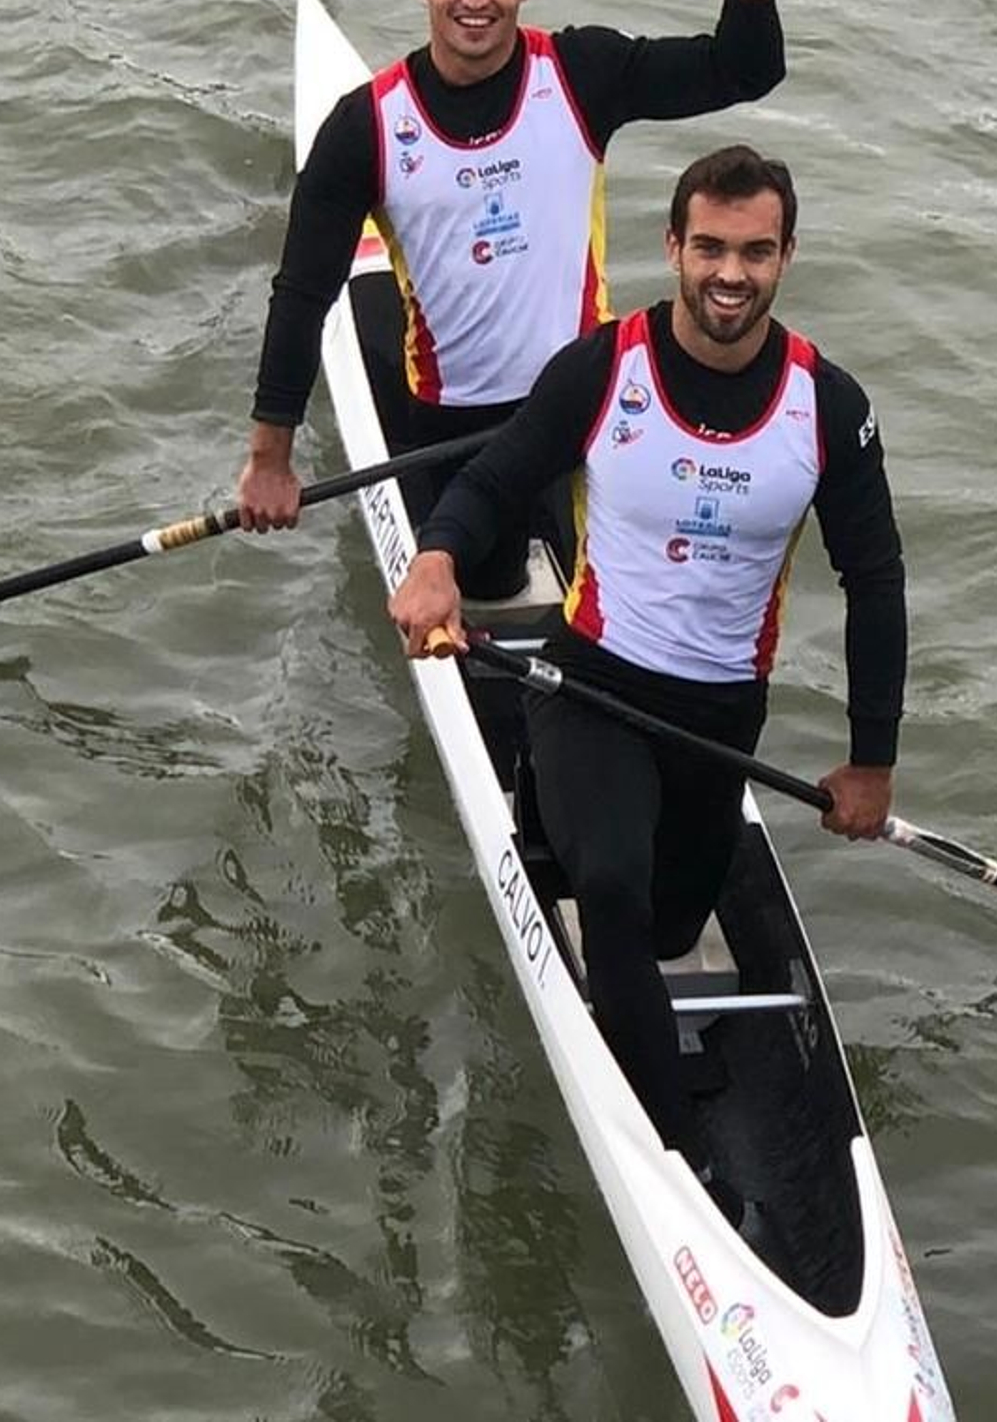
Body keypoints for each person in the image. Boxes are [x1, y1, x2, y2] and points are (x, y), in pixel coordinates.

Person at [386, 145, 905, 1218]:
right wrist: (438, 558)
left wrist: (871, 761)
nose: (730, 273)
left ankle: (571, 838)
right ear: (671, 246)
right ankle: (679, 1172)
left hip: (719, 714)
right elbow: (493, 481)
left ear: (785, 256)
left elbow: (878, 584)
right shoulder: (601, 368)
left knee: (672, 928)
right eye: (708, 246)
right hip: (588, 687)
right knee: (613, 886)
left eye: (755, 251)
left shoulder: (829, 406)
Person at [240, 0, 786, 598]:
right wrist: (270, 458)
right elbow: (304, 292)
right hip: (453, 420)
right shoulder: (364, 128)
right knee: (488, 588)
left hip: (588, 399)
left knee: (631, 592)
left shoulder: (582, 73)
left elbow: (746, 69)